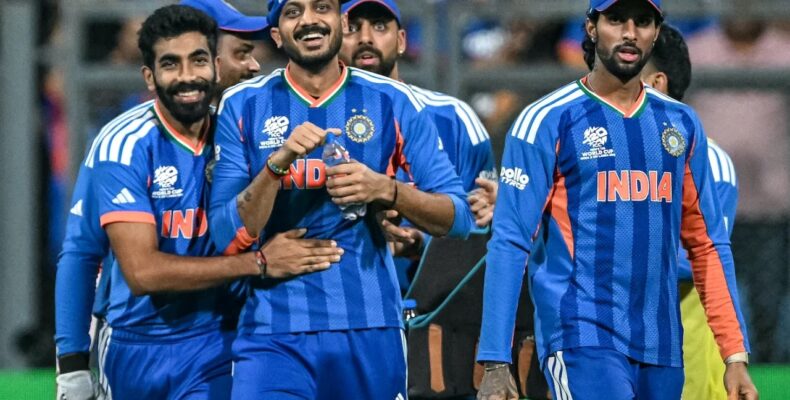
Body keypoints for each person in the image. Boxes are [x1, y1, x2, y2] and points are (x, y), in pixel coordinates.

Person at [54, 5, 343, 400]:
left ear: (212, 65)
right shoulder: (124, 143)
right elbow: (123, 266)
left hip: (221, 339)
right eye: (241, 53)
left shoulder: (246, 134)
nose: (253, 66)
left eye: (198, 61)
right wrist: (71, 363)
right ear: (150, 76)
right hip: (133, 342)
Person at [475, 1, 757, 399]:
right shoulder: (547, 120)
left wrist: (734, 356)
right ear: (591, 28)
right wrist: (495, 360)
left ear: (655, 33)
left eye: (642, 21)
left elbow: (707, 244)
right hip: (580, 334)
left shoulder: (681, 123)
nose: (629, 32)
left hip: (662, 344)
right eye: (616, 20)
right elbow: (510, 242)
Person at [208, 0, 473, 398]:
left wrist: (386, 189)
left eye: (322, 7)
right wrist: (276, 166)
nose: (309, 20)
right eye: (293, 12)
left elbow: (458, 218)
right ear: (277, 35)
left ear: (342, 21)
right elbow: (225, 235)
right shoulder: (243, 104)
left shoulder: (392, 99)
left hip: (371, 326)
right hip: (272, 331)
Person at [338, 0, 496, 284]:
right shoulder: (315, 120)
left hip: (434, 299)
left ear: (401, 41)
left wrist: (423, 243)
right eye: (352, 28)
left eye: (379, 26)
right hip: (345, 293)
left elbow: (481, 223)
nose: (365, 38)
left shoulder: (454, 117)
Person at [642, 24, 740, 400]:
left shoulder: (709, 162)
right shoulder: (603, 157)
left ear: (656, 83)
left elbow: (696, 258)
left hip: (690, 371)